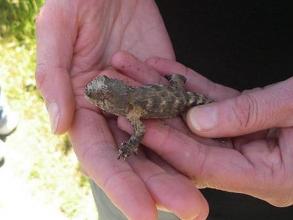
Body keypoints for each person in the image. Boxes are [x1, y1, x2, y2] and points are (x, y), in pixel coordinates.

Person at [35, 0, 293, 219]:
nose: (95, 96)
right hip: (171, 53)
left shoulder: (133, 108)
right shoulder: (130, 102)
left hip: (242, 163)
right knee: (130, 195)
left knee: (198, 128)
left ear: (114, 101)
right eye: (101, 92)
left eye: (101, 97)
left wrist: (127, 148)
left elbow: (137, 134)